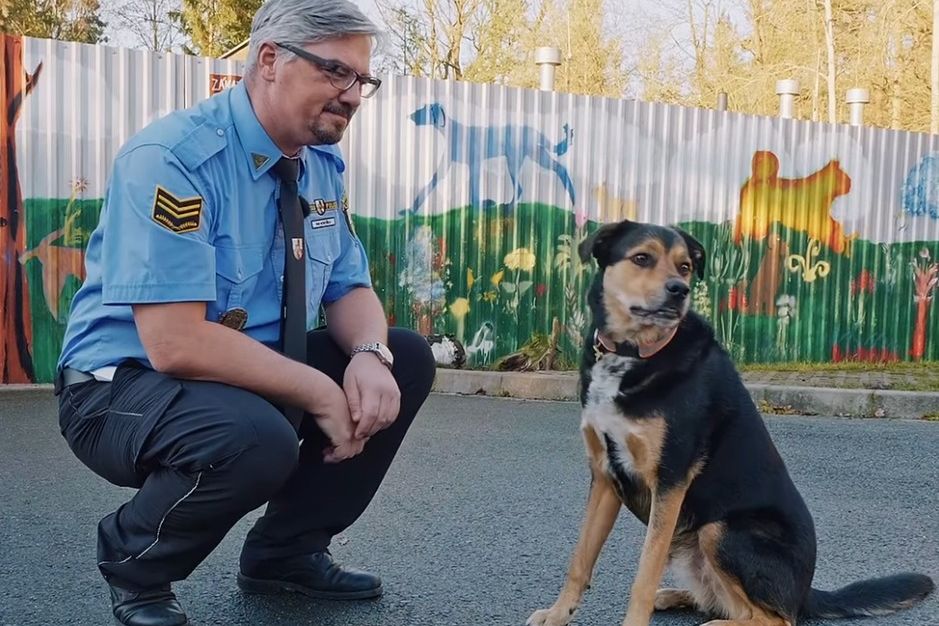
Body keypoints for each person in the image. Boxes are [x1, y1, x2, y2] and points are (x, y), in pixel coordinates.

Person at [54, 1, 436, 624]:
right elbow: (175, 343)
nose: (354, 95)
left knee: (406, 358)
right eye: (336, 73)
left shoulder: (319, 167)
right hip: (117, 390)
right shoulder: (173, 159)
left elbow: (349, 289)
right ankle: (138, 565)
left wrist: (370, 355)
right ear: (269, 60)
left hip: (240, 378)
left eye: (362, 80)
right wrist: (318, 390)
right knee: (253, 437)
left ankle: (285, 554)